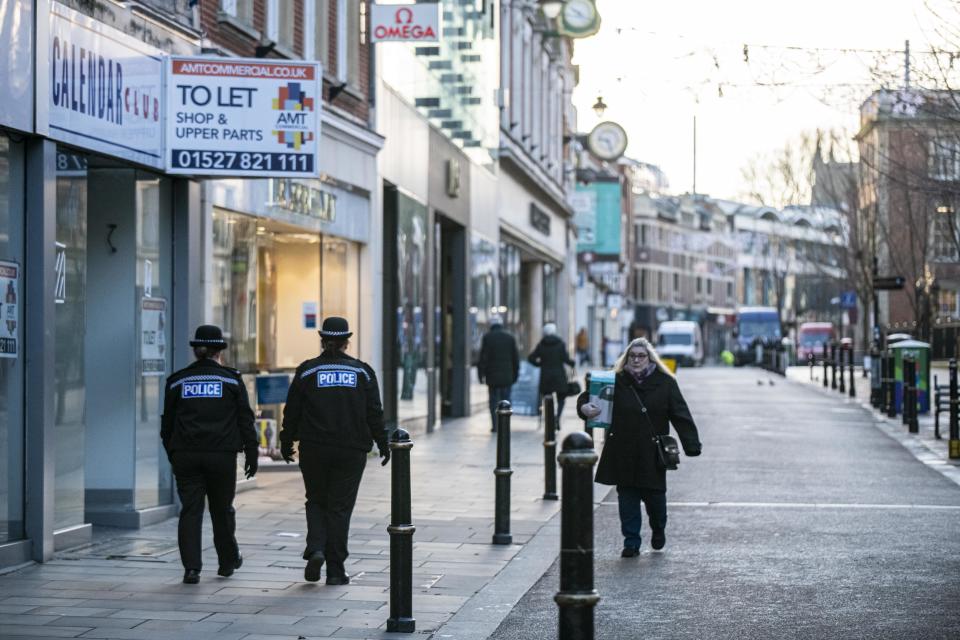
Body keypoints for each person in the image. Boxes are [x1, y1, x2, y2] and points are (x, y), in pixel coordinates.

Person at [279, 317, 389, 585]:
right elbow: (374, 412)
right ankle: (336, 571)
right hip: (351, 450)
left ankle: (316, 548)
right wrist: (383, 442)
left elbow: (292, 410)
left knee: (316, 500)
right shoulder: (362, 372)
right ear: (346, 342)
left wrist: (286, 440)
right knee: (340, 507)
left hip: (314, 448)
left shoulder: (307, 371)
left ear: (322, 340)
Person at [577, 337, 701, 557]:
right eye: (632, 356)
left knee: (656, 501)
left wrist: (691, 444)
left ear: (649, 358)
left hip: (651, 453)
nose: (636, 360)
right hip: (622, 449)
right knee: (627, 500)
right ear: (626, 357)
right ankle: (631, 542)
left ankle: (658, 529)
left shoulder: (665, 382)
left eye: (641, 356)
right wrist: (584, 407)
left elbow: (680, 414)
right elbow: (589, 397)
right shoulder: (614, 380)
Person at [161, 325, 258, 584]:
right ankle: (227, 561)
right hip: (221, 455)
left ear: (196, 351)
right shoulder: (231, 380)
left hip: (186, 455)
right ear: (219, 352)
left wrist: (173, 452)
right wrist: (252, 452)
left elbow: (167, 425)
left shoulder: (177, 381)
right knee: (221, 509)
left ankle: (191, 568)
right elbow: (244, 420)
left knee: (190, 510)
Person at [477, 316, 520, 432]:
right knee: (506, 400)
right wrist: (515, 375)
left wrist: (481, 375)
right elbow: (515, 359)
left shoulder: (487, 338)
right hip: (507, 376)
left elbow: (483, 358)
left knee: (493, 401)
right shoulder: (510, 338)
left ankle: (495, 425)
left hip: (492, 376)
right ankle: (505, 425)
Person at [528, 323, 575, 420]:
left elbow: (531, 358)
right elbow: (565, 359)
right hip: (559, 376)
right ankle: (557, 417)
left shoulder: (541, 345)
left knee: (548, 399)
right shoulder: (560, 344)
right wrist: (572, 363)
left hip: (546, 376)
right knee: (561, 398)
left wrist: (540, 364)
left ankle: (550, 419)